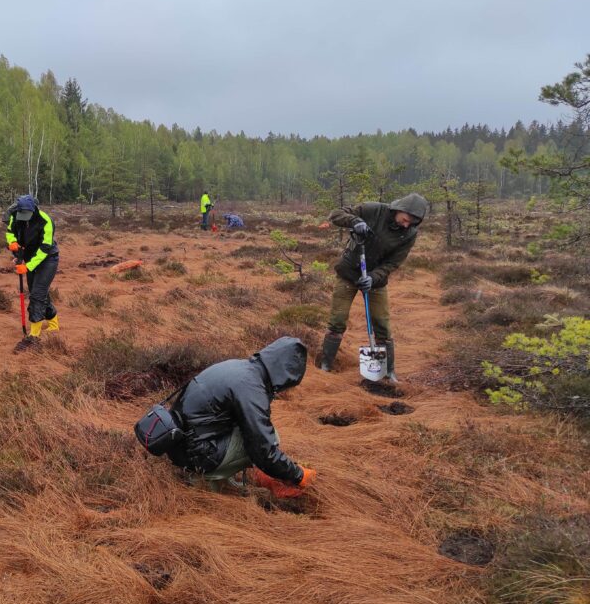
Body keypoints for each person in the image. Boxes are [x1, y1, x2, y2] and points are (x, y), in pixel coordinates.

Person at [163, 336, 315, 496]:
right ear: (284, 373)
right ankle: (205, 481)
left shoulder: (241, 368)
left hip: (178, 443)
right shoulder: (252, 388)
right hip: (194, 454)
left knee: (251, 431)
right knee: (266, 439)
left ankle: (220, 477)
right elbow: (263, 450)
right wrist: (298, 475)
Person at [317, 193, 430, 383]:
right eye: (405, 220)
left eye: (411, 223)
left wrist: (373, 277)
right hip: (349, 273)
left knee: (382, 325)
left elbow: (393, 263)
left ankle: (388, 371)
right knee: (337, 320)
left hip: (375, 281)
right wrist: (355, 221)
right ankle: (325, 364)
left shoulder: (409, 233)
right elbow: (335, 214)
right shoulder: (373, 210)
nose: (406, 225)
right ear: (399, 210)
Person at [4, 194, 59, 352]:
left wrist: (28, 266)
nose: (23, 217)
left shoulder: (45, 221)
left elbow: (45, 248)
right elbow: (10, 231)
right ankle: (54, 324)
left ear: (33, 210)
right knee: (39, 293)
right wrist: (12, 243)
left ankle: (34, 335)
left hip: (48, 259)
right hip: (29, 258)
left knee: (36, 295)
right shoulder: (15, 216)